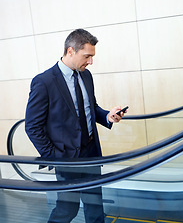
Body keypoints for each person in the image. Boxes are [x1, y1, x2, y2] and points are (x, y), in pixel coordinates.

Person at [25, 28, 126, 223]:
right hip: (66, 158)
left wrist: (108, 116)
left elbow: (91, 108)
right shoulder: (43, 82)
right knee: (67, 209)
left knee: (95, 205)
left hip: (91, 153)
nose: (91, 62)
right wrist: (55, 157)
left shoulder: (86, 76)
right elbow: (32, 126)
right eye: (87, 56)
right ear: (70, 51)